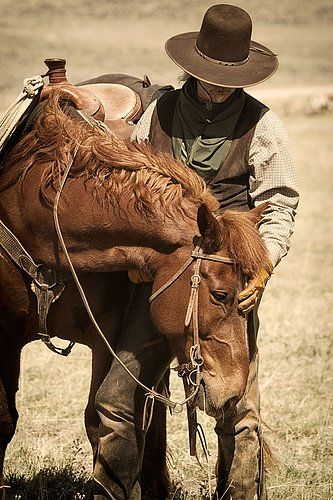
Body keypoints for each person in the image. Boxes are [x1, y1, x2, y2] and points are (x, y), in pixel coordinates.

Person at [93, 4, 299, 499]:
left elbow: (280, 206)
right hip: (163, 280)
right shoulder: (159, 114)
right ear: (192, 66)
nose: (220, 86)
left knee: (235, 404)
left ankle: (241, 493)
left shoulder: (263, 126)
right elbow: (132, 190)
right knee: (116, 397)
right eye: (211, 75)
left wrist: (260, 267)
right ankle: (118, 491)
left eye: (231, 77)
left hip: (226, 284)